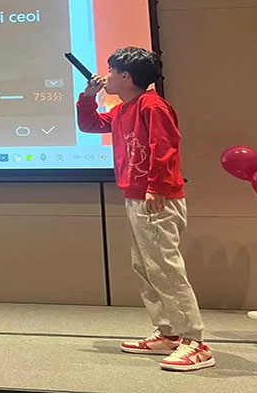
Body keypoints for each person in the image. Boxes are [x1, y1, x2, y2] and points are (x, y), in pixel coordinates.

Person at [77, 47, 213, 372]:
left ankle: (195, 342)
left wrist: (157, 186)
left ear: (126, 76)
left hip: (157, 197)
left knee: (165, 267)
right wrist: (88, 96)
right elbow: (90, 125)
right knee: (146, 266)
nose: (106, 76)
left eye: (111, 71)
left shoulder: (152, 106)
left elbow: (165, 147)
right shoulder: (123, 109)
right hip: (137, 196)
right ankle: (168, 332)